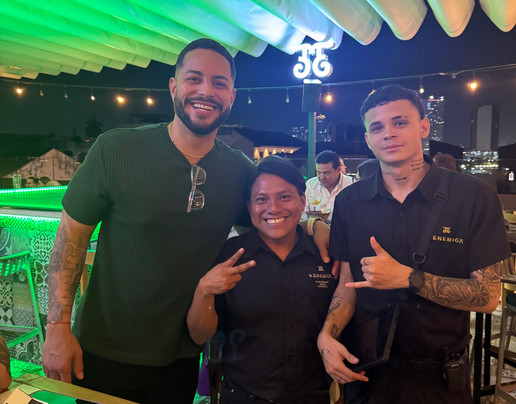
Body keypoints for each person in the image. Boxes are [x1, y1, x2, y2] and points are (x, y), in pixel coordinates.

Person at [42, 38, 331, 404]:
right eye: (194, 78)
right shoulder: (114, 149)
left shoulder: (240, 171)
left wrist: (314, 226)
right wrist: (57, 326)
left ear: (231, 97)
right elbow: (70, 238)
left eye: (219, 83)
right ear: (173, 87)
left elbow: (270, 224)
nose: (206, 91)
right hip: (104, 350)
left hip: (181, 356)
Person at [317, 85, 511, 404]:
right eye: (377, 127)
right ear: (368, 139)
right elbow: (347, 286)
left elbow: (488, 296)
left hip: (440, 376)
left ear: (423, 127)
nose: (388, 133)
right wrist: (327, 335)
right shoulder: (350, 201)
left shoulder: (474, 197)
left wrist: (409, 278)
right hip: (367, 372)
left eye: (400, 122)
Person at [187, 156, 336, 403]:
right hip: (242, 395)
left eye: (284, 197)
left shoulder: (326, 254)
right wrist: (204, 291)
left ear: (302, 200)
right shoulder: (229, 256)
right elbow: (199, 336)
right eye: (261, 199)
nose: (273, 208)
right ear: (249, 207)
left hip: (314, 394)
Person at [305, 150, 353, 221]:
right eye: (318, 172)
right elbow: (303, 212)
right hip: (315, 227)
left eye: (326, 173)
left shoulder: (351, 184)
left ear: (338, 170)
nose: (322, 177)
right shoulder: (311, 184)